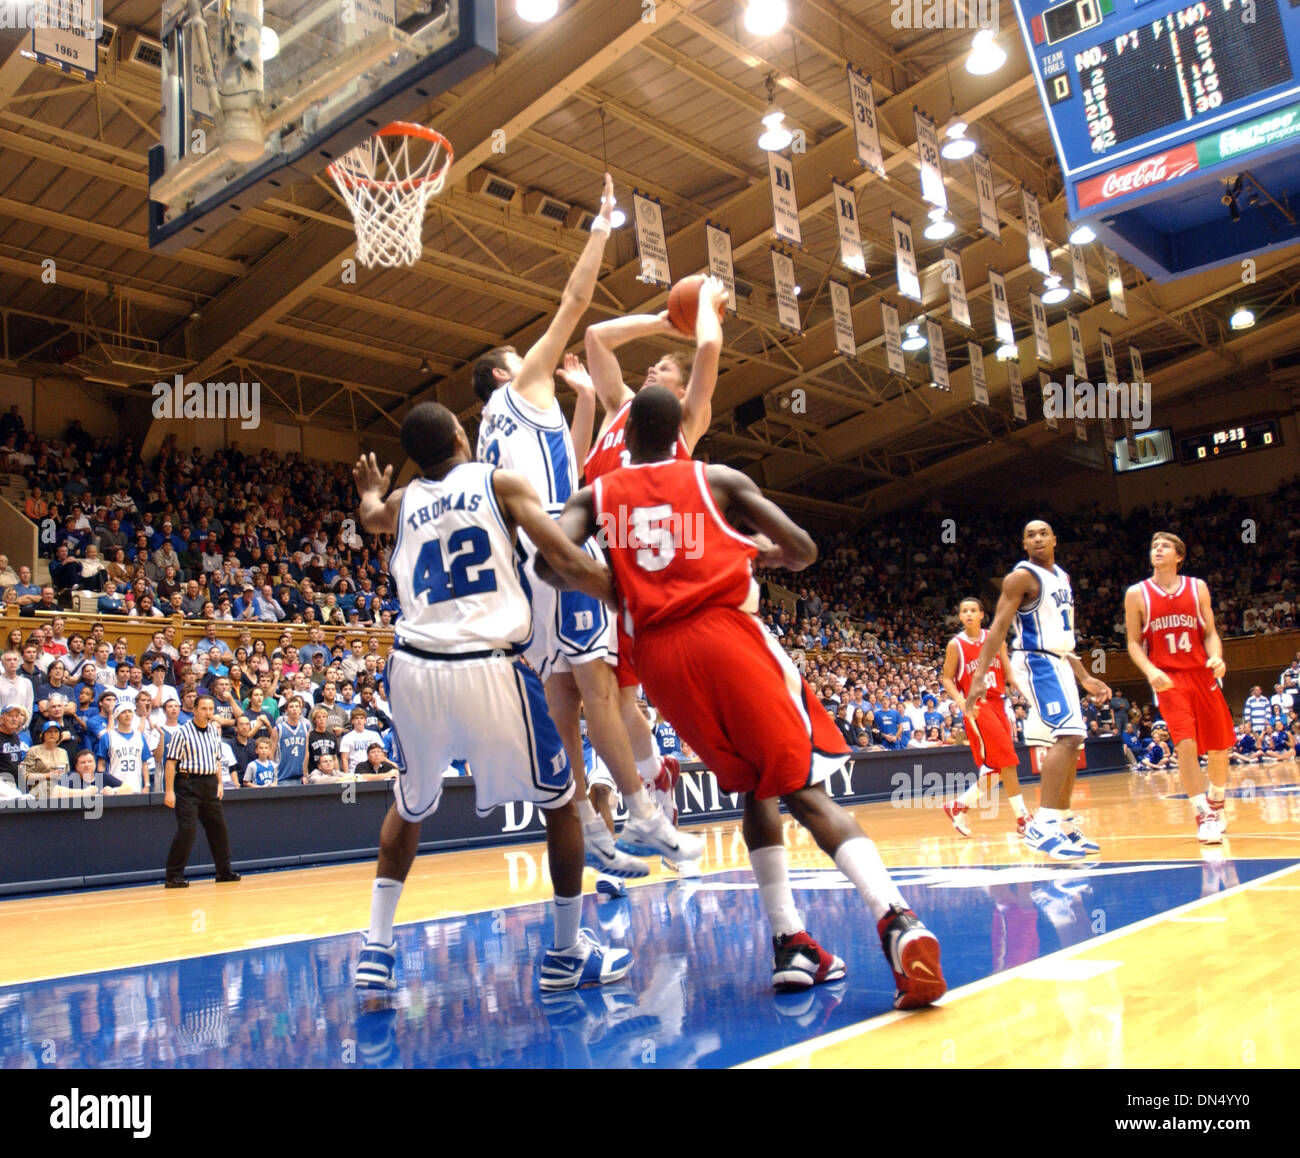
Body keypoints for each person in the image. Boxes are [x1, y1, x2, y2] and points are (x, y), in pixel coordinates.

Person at [544, 388, 945, 1006]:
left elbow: (551, 564)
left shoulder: (595, 496)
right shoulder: (719, 478)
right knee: (804, 787)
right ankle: (896, 918)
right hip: (724, 634)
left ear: (624, 442)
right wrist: (770, 554)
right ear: (680, 433)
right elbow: (806, 549)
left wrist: (612, 584)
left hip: (658, 659)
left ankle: (790, 942)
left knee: (757, 785)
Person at [350, 401, 632, 993]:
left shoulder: (401, 505)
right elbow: (564, 557)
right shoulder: (498, 481)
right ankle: (564, 954)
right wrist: (625, 597)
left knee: (408, 803)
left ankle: (375, 950)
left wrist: (371, 491)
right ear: (460, 434)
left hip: (414, 665)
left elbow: (371, 514)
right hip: (489, 661)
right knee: (560, 802)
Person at [474, 173, 696, 880]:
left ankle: (586, 822)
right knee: (599, 687)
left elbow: (566, 466)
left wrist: (580, 404)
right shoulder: (519, 382)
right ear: (509, 372)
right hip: (566, 553)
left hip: (525, 570)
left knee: (563, 696)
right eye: (521, 355)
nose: (531, 353)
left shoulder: (495, 424)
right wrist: (602, 225)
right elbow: (576, 304)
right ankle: (643, 809)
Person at [580, 286, 729, 867]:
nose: (651, 367)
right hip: (601, 570)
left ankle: (643, 796)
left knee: (613, 699)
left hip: (647, 581)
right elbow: (595, 337)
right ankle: (654, 784)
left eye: (664, 367)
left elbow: (709, 356)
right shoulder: (620, 405)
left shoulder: (682, 424)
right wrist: (662, 321)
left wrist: (702, 318)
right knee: (614, 700)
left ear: (677, 388)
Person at [964, 521, 1112, 861]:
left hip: (1059, 661)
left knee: (1073, 743)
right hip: (1035, 662)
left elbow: (1062, 637)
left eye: (1043, 533)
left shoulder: (1062, 577)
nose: (1037, 538)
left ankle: (1063, 821)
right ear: (1024, 543)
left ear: (1055, 539)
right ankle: (1041, 826)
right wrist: (979, 677)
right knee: (1069, 737)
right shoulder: (1021, 577)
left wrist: (1085, 676)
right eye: (1030, 534)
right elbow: (999, 625)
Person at [1124, 532, 1236, 842]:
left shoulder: (1197, 587)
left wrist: (1217, 657)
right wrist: (1149, 671)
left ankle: (1217, 800)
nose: (1157, 549)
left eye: (1164, 546)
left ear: (1179, 556)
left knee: (1218, 748)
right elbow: (1133, 642)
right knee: (1185, 744)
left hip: (1202, 674)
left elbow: (1210, 633)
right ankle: (1203, 814)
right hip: (1169, 678)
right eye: (1153, 546)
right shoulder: (1137, 593)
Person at [940, 597, 1031, 837]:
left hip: (999, 703)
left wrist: (1027, 692)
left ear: (982, 614)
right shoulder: (955, 645)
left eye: (973, 610)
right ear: (959, 617)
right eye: (964, 611)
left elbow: (1009, 673)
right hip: (977, 707)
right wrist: (962, 703)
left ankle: (958, 806)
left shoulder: (995, 638)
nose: (968, 614)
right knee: (1009, 762)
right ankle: (1023, 819)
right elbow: (947, 679)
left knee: (996, 769)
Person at [164, 693, 241, 888]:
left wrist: (220, 783)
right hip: (188, 784)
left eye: (211, 709)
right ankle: (174, 875)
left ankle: (224, 872)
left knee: (219, 829)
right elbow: (171, 763)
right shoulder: (181, 733)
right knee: (187, 830)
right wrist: (169, 791)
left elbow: (216, 760)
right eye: (204, 709)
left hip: (210, 784)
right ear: (195, 710)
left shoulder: (214, 732)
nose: (208, 713)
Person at [96, 702, 152, 793]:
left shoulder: (139, 736)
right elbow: (101, 764)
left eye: (129, 712)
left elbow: (144, 763)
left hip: (136, 786)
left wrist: (147, 785)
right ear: (117, 716)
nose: (127, 715)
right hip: (115, 788)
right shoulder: (108, 737)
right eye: (123, 712)